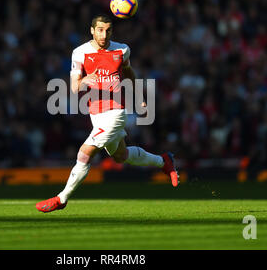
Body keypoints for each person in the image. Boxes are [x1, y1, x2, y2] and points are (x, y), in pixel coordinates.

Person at [36, 15, 179, 213]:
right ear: (92, 30)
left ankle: (62, 198)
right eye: (100, 30)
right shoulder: (80, 53)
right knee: (121, 155)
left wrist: (137, 95)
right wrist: (86, 80)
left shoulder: (122, 50)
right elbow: (75, 87)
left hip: (117, 111)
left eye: (108, 30)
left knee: (84, 153)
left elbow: (128, 72)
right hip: (96, 113)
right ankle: (164, 160)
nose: (104, 34)